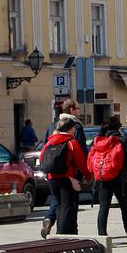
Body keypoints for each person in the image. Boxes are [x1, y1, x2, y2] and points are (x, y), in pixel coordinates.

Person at [90, 116, 127, 243]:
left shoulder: (97, 142)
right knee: (125, 208)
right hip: (120, 179)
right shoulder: (122, 140)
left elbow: (92, 160)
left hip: (102, 179)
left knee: (103, 208)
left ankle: (102, 236)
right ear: (117, 128)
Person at [40, 100, 87, 238]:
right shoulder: (75, 129)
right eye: (78, 108)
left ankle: (50, 218)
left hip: (52, 175)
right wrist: (86, 176)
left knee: (58, 202)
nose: (79, 111)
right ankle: (66, 235)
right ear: (72, 110)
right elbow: (80, 155)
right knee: (69, 207)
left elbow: (44, 151)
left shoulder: (51, 127)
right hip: (69, 175)